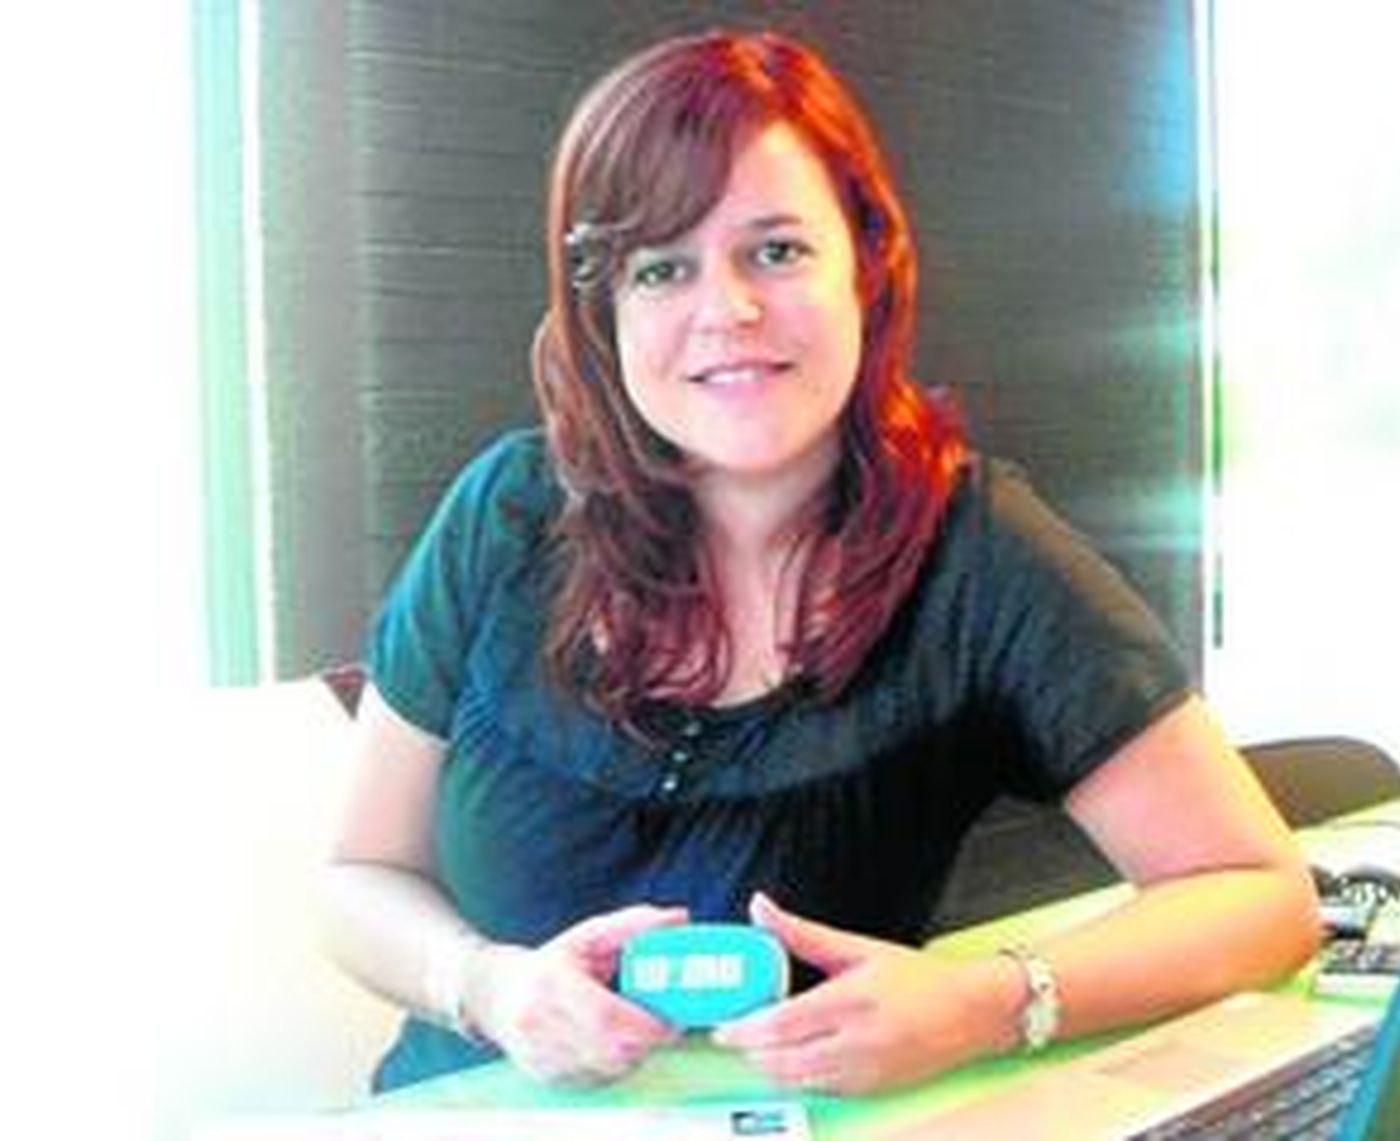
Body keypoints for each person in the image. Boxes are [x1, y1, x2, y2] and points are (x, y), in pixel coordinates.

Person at [322, 28, 1321, 1097]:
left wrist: (985, 1001)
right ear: (604, 313)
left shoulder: (974, 551)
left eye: (776, 251)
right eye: (661, 268)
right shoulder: (505, 515)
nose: (728, 310)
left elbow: (1259, 892)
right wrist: (486, 984)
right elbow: (359, 875)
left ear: (867, 263)